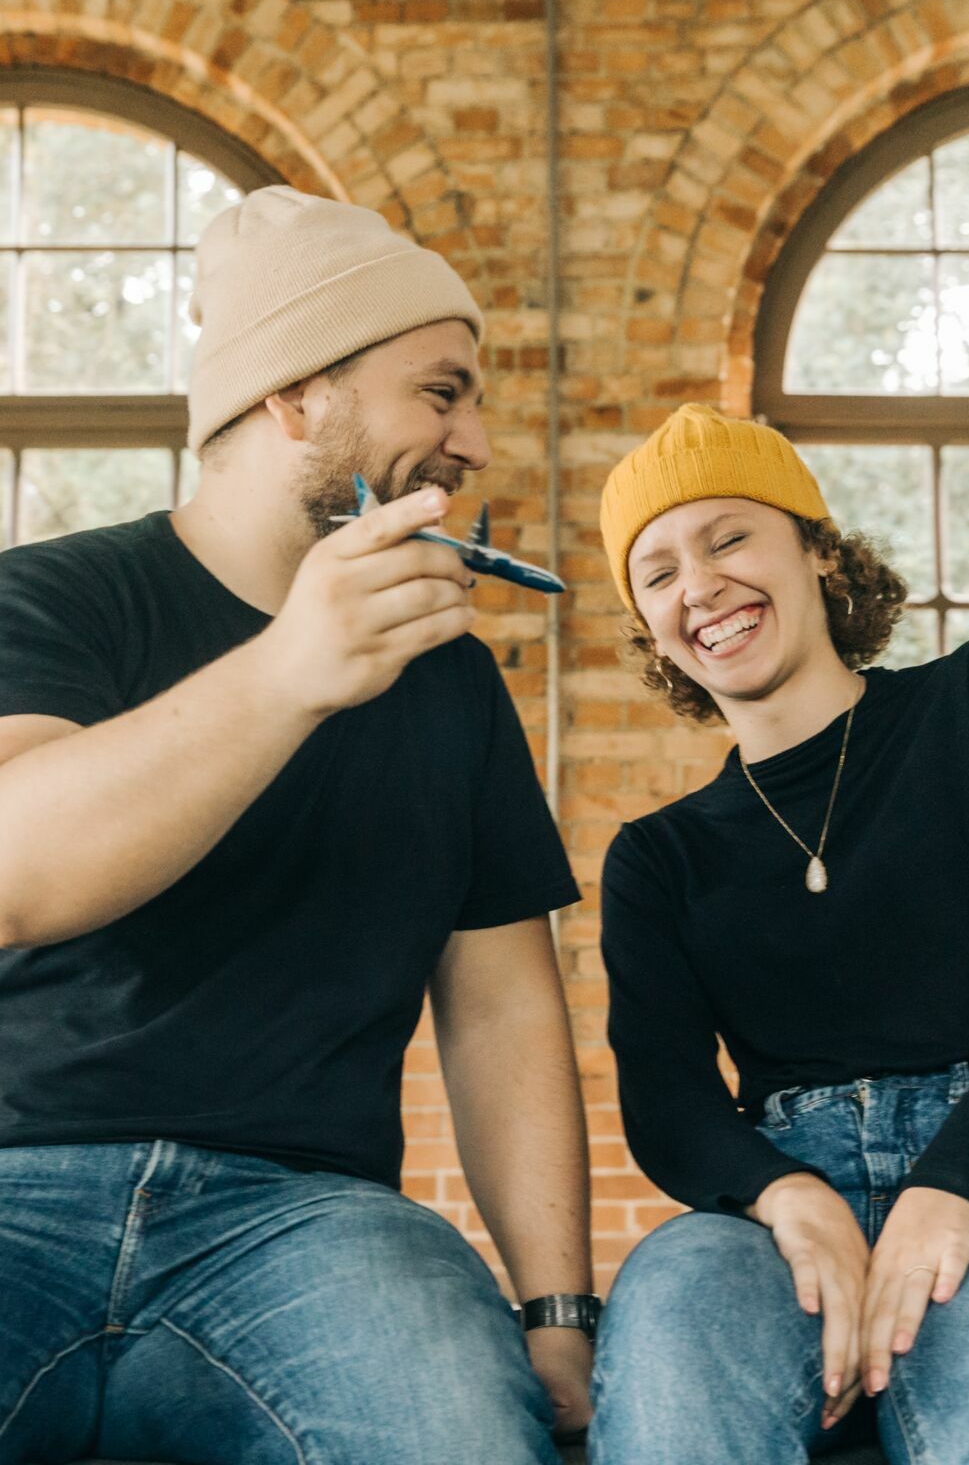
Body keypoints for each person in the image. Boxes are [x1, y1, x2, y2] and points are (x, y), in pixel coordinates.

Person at [0, 188, 597, 1464]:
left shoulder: (450, 681)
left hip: (305, 1224)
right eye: (441, 393)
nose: (476, 441)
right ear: (292, 397)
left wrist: (555, 1312)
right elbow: (16, 871)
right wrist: (290, 670)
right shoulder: (54, 597)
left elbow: (499, 1003)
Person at [587, 404, 969, 1464]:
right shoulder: (658, 857)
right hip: (779, 1204)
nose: (697, 586)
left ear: (814, 549)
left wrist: (955, 1185)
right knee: (672, 1335)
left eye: (727, 538)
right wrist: (788, 1195)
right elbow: (665, 1099)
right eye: (656, 572)